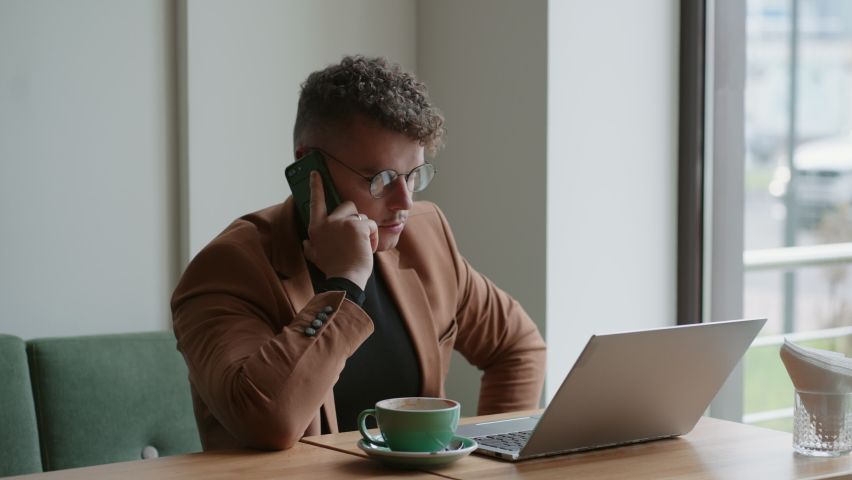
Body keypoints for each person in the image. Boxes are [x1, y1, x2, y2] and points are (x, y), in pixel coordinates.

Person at [171, 55, 546, 451]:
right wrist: (346, 283)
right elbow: (268, 421)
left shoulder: (425, 234)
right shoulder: (228, 269)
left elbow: (517, 346)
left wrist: (494, 454)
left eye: (414, 175)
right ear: (309, 166)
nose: (405, 201)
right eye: (380, 178)